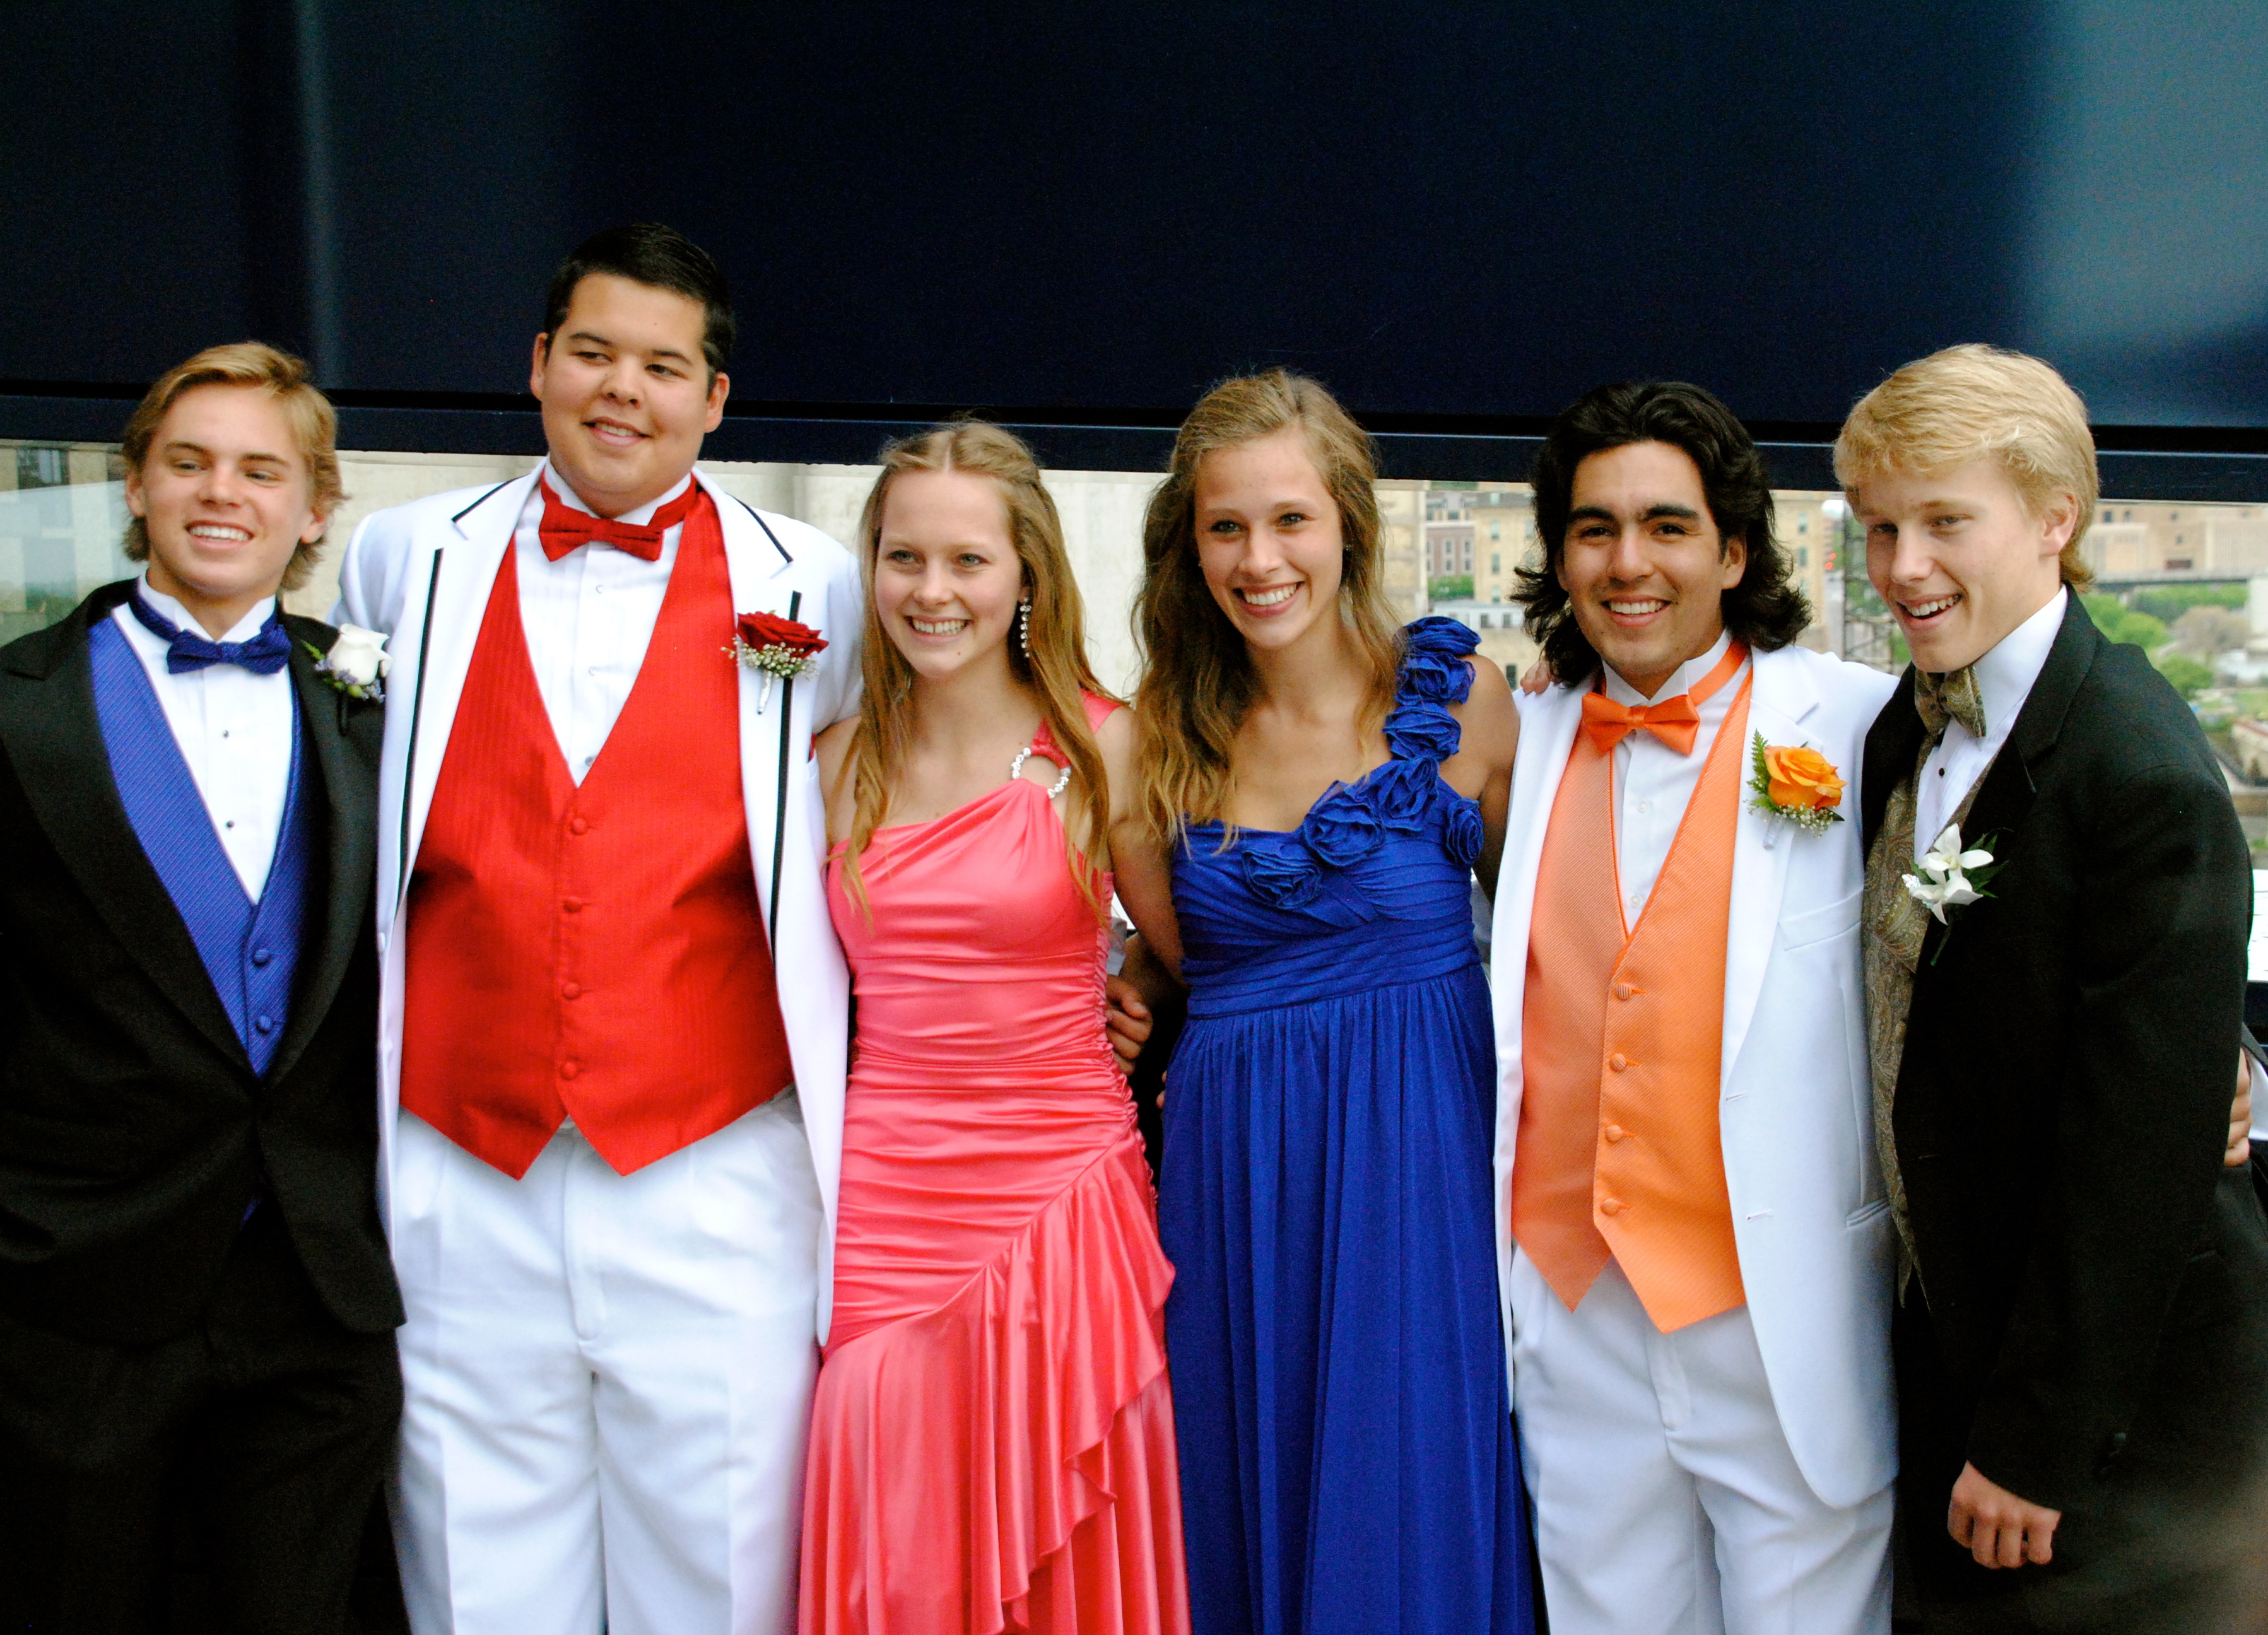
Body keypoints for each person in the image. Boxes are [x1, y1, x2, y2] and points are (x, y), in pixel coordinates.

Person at [334, 224, 862, 1634]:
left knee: (723, 1583)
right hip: (461, 1169)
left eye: (663, 366)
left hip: (713, 1172)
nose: (623, 390)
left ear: (717, 398)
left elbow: (885, 813)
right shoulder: (402, 559)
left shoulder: (814, 583)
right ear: (538, 364)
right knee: (476, 1588)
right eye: (593, 353)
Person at [1841, 344, 2268, 1633]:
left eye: (1944, 522)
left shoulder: (2141, 773)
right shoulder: (1906, 723)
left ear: (2054, 520)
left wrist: (2038, 1442)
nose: (1902, 566)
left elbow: (2134, 1162)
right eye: (1880, 528)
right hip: (1950, 1347)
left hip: (2106, 1426)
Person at [1113, 369, 1532, 1634]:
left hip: (1422, 1167)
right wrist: (1131, 987)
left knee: (1409, 1475)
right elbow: (1178, 959)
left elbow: (1541, 945)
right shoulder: (1153, 738)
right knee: (1251, 1471)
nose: (1260, 559)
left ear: (1349, 521)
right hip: (1239, 1174)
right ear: (1190, 545)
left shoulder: (1461, 704)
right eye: (1226, 527)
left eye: (1290, 519)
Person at [0, 343, 402, 1632]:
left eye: (260, 470)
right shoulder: (18, 709)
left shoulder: (377, 706)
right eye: (189, 462)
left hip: (316, 1294)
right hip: (77, 1292)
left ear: (315, 508)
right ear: (135, 485)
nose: (222, 493)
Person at [1491, 380, 1900, 1635]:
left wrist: (2222, 1059)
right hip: (1573, 1318)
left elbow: (2035, 907)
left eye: (1666, 526)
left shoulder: (1857, 722)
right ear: (1561, 557)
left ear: (1731, 552)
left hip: (1782, 1318)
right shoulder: (1517, 736)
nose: (1629, 562)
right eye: (1594, 529)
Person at [800, 422, 1188, 1634]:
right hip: (882, 1211)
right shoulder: (830, 762)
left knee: (1065, 1555)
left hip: (1060, 1196)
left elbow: (1194, 953)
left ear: (1027, 573)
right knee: (896, 1547)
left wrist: (1134, 985)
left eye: (968, 560)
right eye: (904, 558)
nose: (933, 591)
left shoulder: (1105, 743)